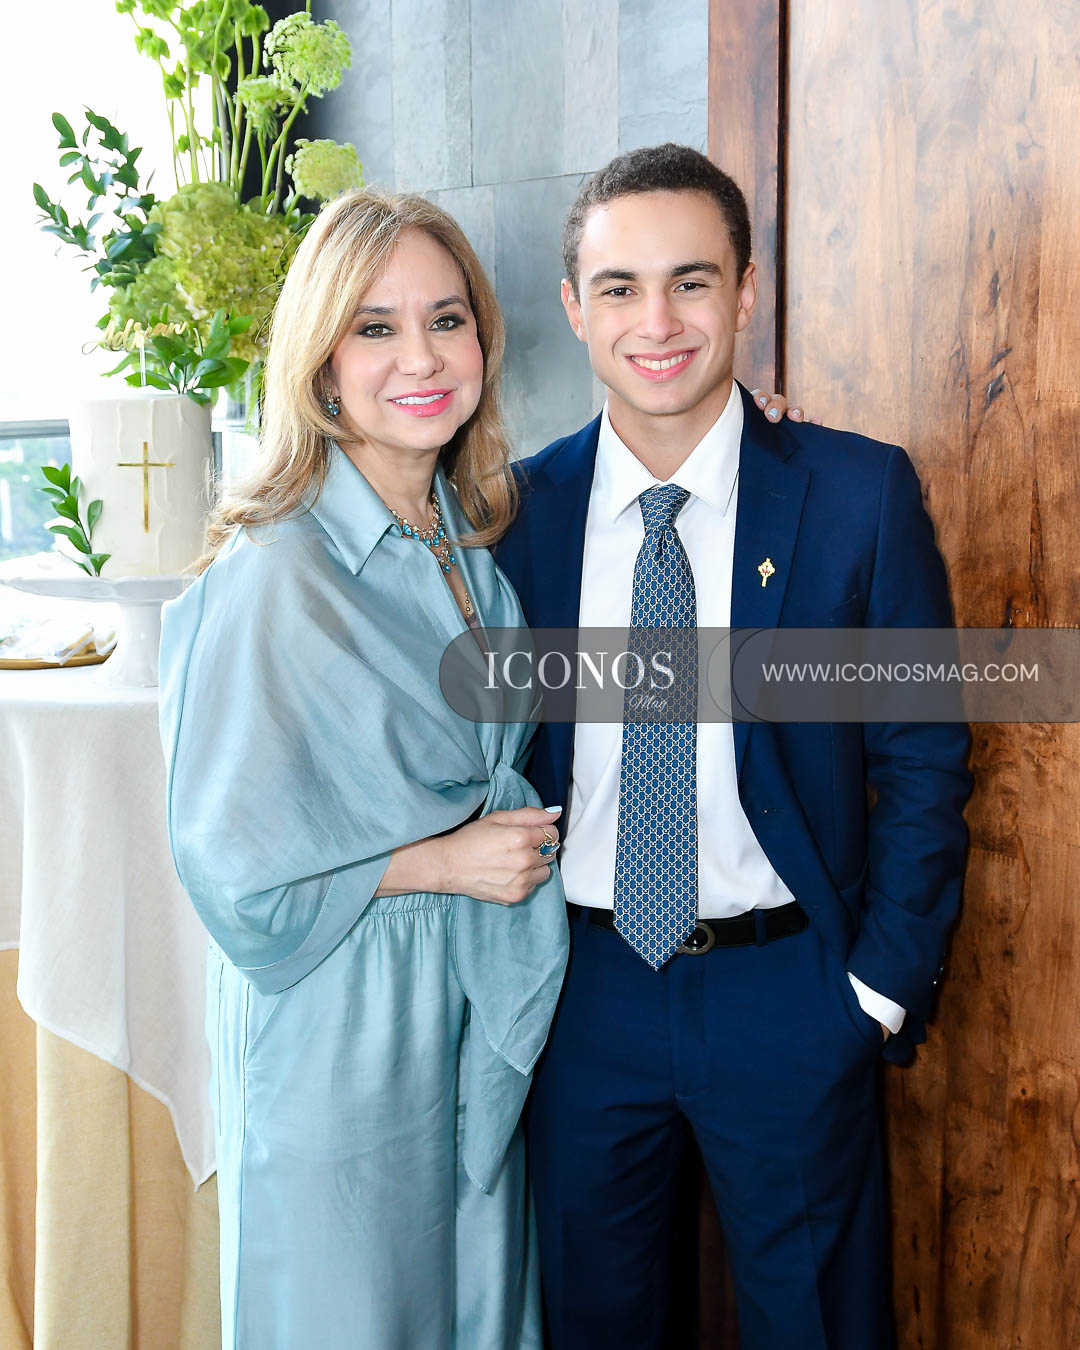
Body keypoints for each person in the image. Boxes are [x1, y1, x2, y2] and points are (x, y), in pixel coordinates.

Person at [495, 143, 973, 1349]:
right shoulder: (513, 516)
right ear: (576, 308)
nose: (656, 322)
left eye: (692, 282)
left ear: (746, 292)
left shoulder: (858, 495)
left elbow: (922, 756)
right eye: (620, 288)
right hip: (580, 996)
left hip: (791, 991)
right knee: (597, 1323)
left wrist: (873, 991)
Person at [157, 189, 572, 1349]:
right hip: (339, 1013)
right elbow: (229, 867)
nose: (421, 357)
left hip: (465, 1000)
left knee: (473, 1315)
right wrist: (439, 863)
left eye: (447, 319)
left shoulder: (469, 552)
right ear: (322, 365)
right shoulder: (274, 572)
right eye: (375, 327)